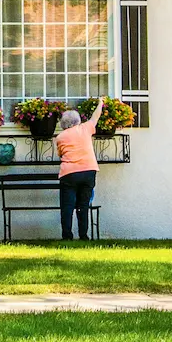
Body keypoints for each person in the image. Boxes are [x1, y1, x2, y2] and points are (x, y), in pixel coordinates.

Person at [54, 97, 103, 241]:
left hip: (69, 174)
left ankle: (67, 236)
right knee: (83, 205)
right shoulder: (85, 129)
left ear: (63, 124)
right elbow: (95, 117)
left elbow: (60, 154)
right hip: (88, 171)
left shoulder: (60, 137)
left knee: (67, 206)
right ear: (77, 121)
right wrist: (100, 103)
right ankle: (83, 235)